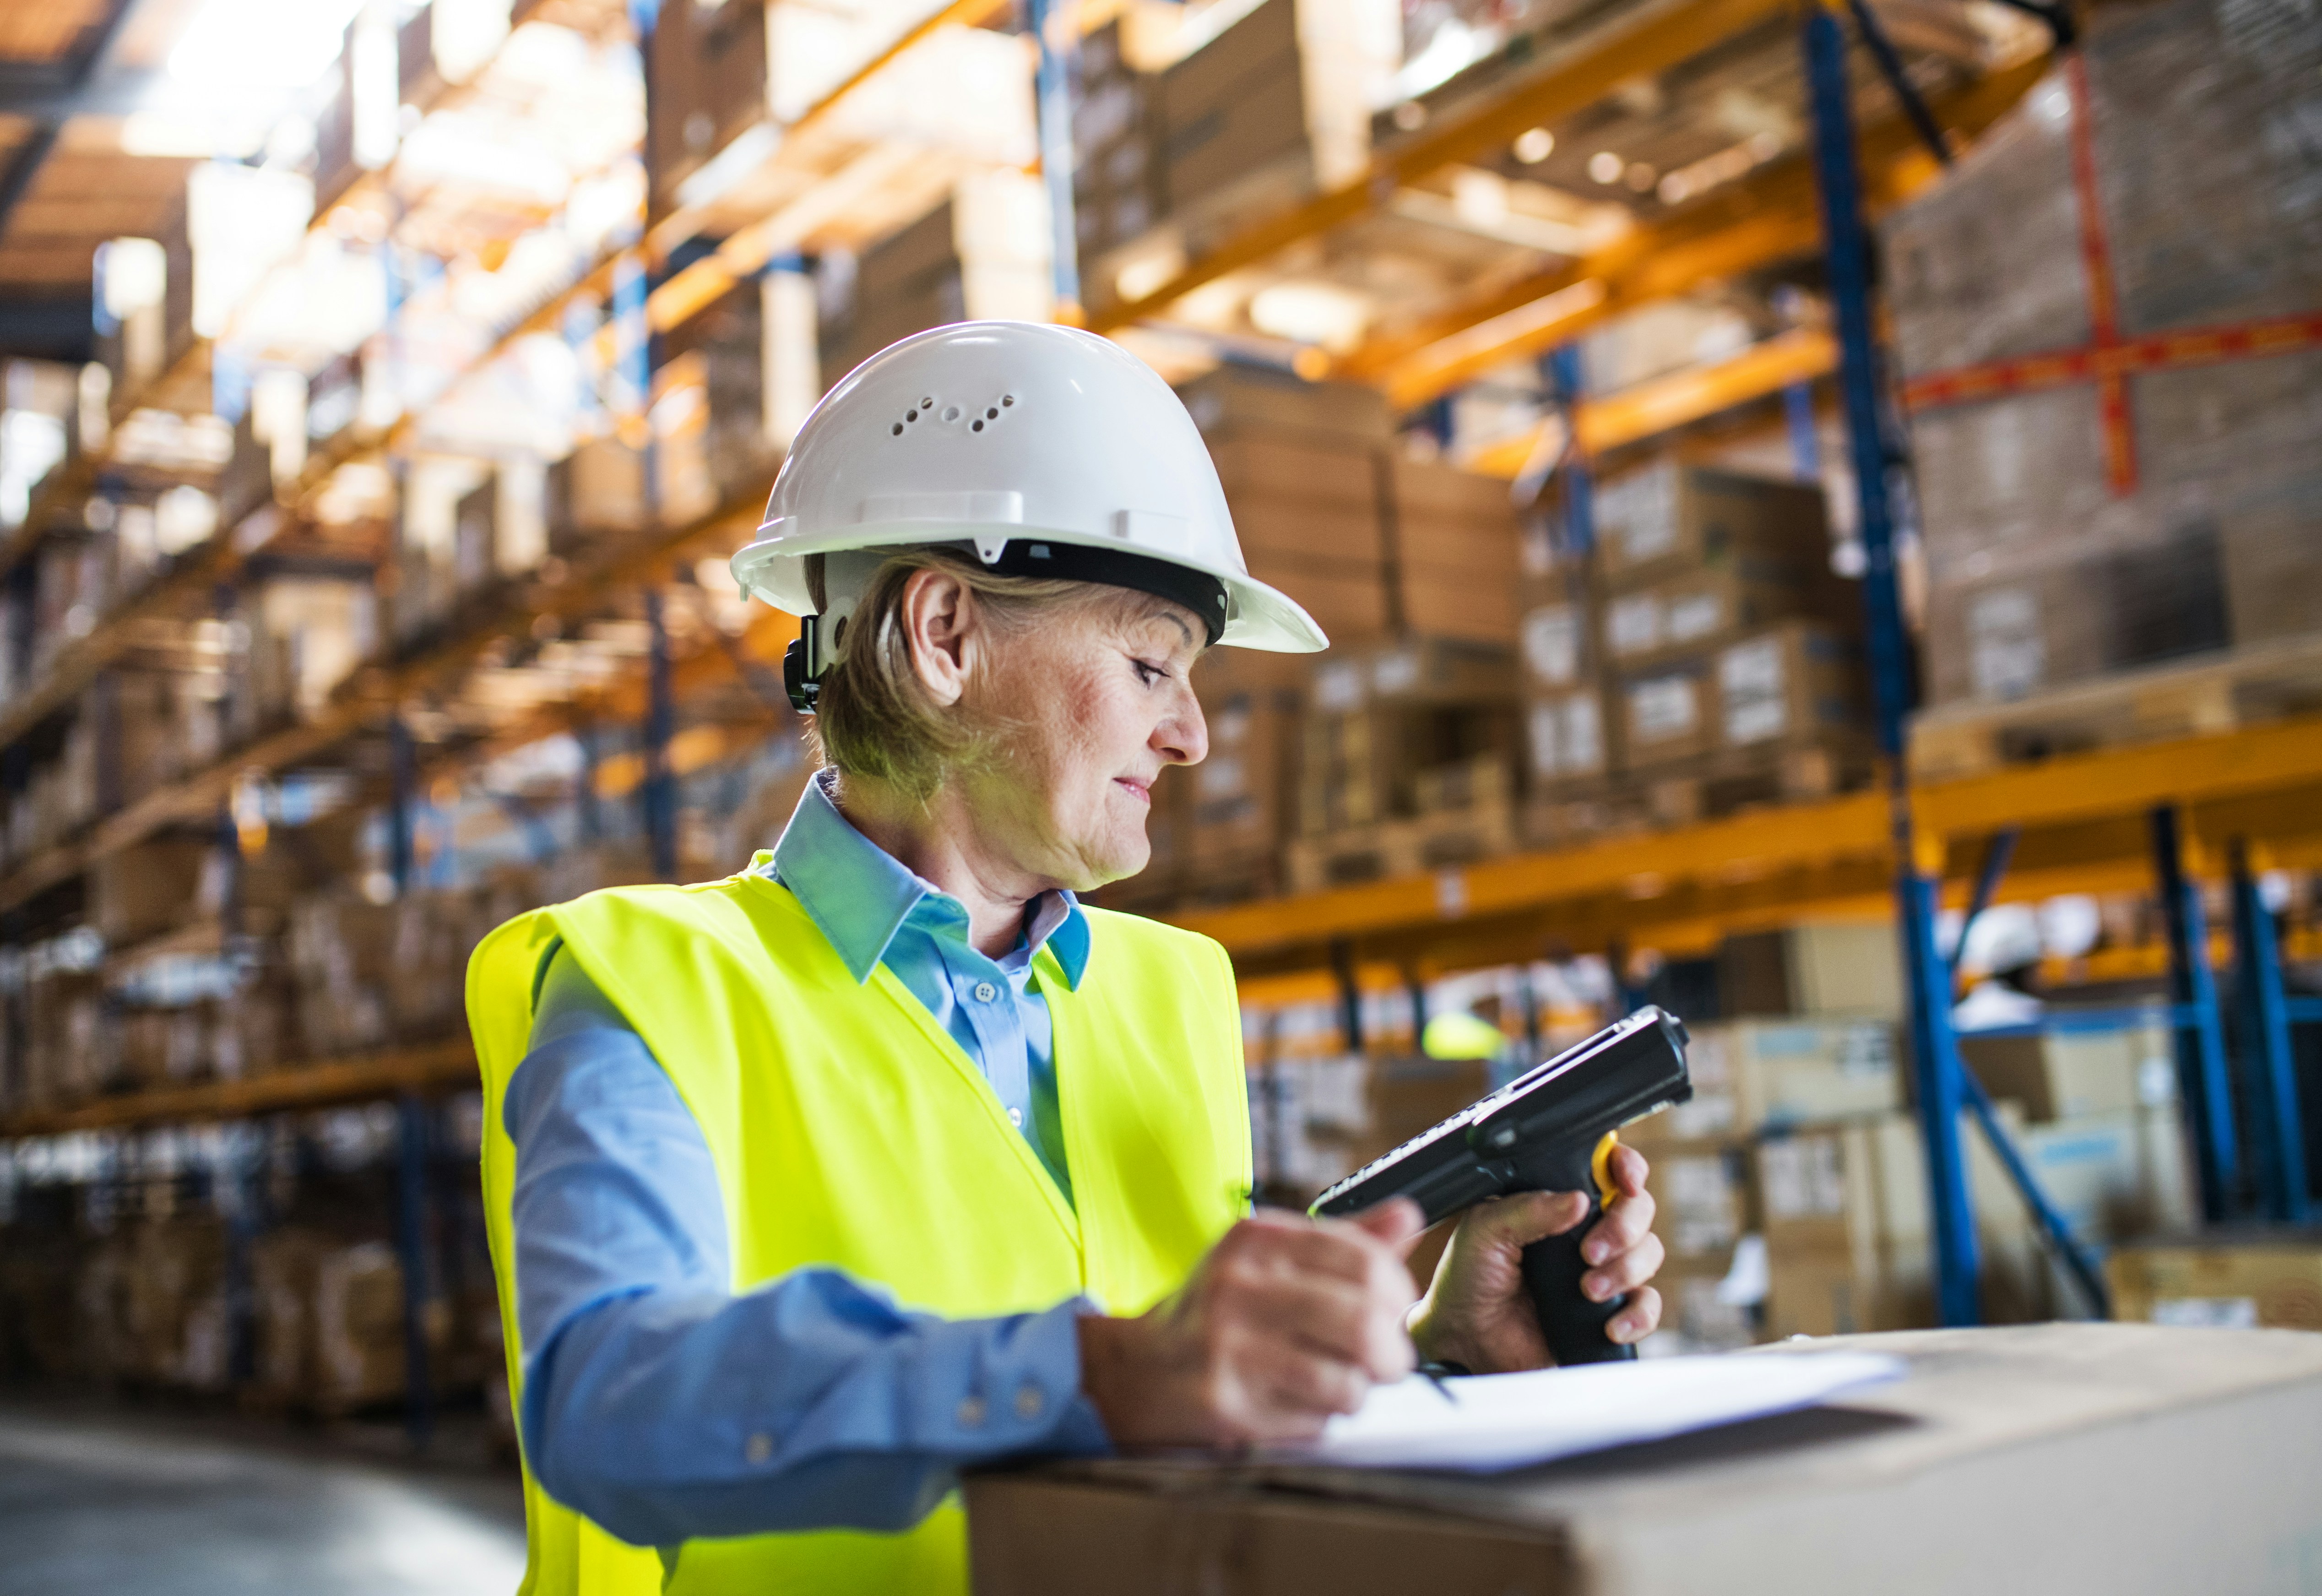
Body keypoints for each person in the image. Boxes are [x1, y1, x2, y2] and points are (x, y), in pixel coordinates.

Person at [466, 323, 1665, 1596]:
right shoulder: (653, 988)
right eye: (1150, 662)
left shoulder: (1168, 995)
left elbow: (1189, 1449)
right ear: (944, 634)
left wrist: (1442, 1359)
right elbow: (609, 1399)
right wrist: (1102, 1375)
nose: (1193, 734)